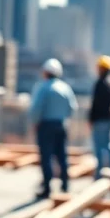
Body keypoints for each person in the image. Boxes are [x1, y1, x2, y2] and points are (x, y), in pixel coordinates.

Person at [30, 58, 78, 197]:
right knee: (62, 155)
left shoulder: (43, 88)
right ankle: (65, 184)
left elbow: (36, 109)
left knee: (46, 157)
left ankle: (47, 187)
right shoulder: (65, 88)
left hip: (46, 126)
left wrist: (35, 123)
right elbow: (72, 108)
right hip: (61, 125)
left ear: (46, 72)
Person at [88, 55, 110, 179]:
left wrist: (91, 119)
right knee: (109, 144)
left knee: (99, 147)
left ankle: (100, 174)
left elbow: (95, 104)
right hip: (109, 118)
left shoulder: (100, 84)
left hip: (99, 119)